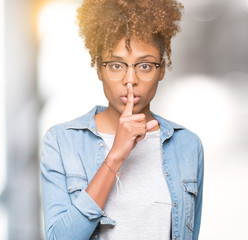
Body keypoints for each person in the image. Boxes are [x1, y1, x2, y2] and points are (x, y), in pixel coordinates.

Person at [40, 0, 204, 239]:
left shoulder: (187, 145)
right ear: (98, 68)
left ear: (162, 69)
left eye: (145, 66)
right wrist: (116, 155)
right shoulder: (62, 142)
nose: (130, 79)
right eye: (116, 65)